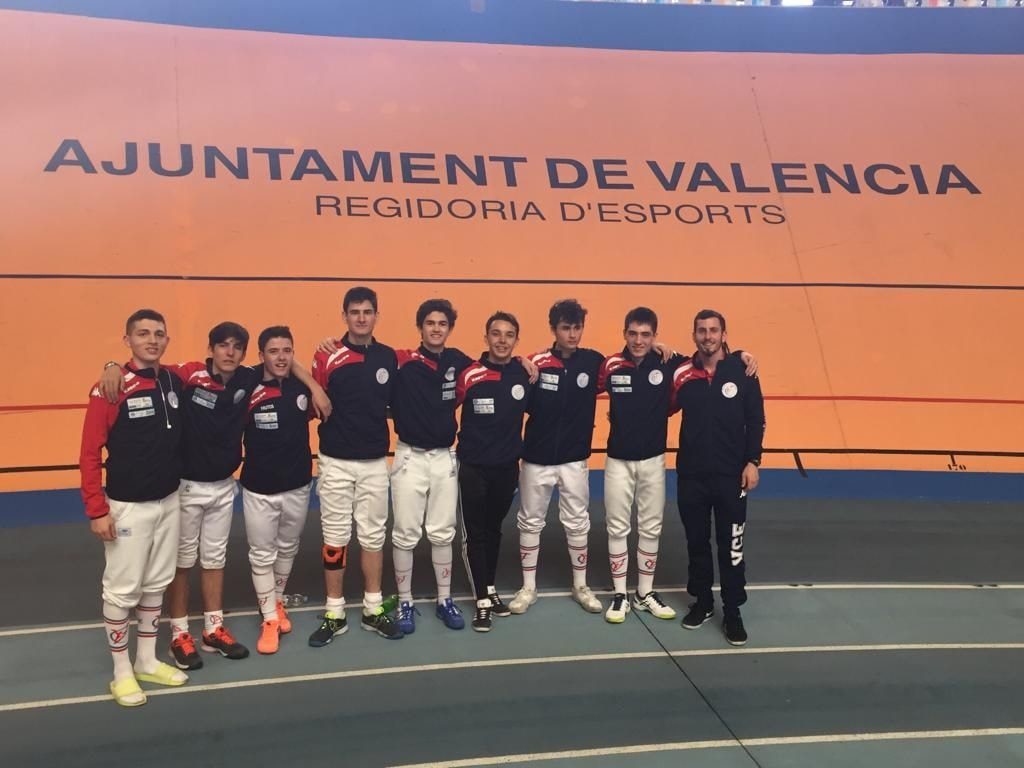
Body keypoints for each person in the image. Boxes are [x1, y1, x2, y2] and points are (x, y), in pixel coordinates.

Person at [97, 323, 330, 669]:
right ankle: (179, 633)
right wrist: (112, 366)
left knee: (214, 559)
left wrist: (314, 386)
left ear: (245, 354)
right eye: (223, 345)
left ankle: (213, 628)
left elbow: (284, 361)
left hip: (223, 487)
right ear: (211, 349)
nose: (229, 352)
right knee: (182, 563)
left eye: (236, 347)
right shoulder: (189, 375)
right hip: (186, 488)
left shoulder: (247, 378)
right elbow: (148, 367)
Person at [598, 307, 756, 625]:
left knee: (659, 529)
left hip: (671, 464)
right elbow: (578, 383)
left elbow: (751, 413)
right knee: (625, 529)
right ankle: (623, 595)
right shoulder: (614, 365)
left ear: (655, 337)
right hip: (634, 463)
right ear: (624, 334)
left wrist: (741, 355)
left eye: (646, 335)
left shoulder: (677, 365)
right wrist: (526, 364)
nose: (639, 340)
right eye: (633, 334)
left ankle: (651, 594)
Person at [80, 308, 189, 707]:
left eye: (159, 334)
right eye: (143, 334)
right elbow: (89, 453)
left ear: (167, 340)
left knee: (156, 583)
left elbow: (217, 366)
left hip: (169, 501)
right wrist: (97, 509)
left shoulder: (174, 379)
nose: (152, 340)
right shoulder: (108, 389)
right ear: (127, 340)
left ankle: (145, 660)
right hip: (127, 507)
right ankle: (121, 672)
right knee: (122, 590)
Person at [310, 286, 402, 645]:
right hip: (335, 462)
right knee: (335, 539)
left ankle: (372, 608)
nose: (361, 318)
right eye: (355, 312)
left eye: (367, 312)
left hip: (375, 462)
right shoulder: (327, 355)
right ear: (344, 316)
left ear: (376, 315)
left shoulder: (389, 357)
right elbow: (312, 390)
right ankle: (334, 612)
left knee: (373, 537)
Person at [673, 310, 765, 647]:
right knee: (696, 544)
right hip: (692, 476)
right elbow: (656, 364)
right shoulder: (682, 372)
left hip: (731, 477)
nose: (708, 336)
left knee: (731, 547)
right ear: (694, 335)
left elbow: (756, 419)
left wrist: (752, 461)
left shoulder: (742, 370)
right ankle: (702, 602)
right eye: (702, 331)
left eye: (713, 330)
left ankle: (732, 610)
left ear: (724, 334)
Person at [509, 300, 605, 615]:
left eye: (577, 328)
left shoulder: (593, 362)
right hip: (536, 460)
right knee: (530, 522)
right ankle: (528, 587)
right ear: (554, 329)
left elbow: (627, 363)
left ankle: (581, 585)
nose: (572, 334)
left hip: (574, 460)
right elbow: (508, 376)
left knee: (577, 522)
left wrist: (660, 349)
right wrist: (518, 361)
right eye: (566, 328)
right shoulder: (535, 363)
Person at [241, 326, 319, 654]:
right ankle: (270, 619)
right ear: (261, 356)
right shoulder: (246, 385)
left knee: (287, 548)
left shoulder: (302, 386)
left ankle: (275, 601)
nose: (281, 357)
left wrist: (312, 382)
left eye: (287, 350)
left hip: (298, 484)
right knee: (262, 554)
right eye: (273, 351)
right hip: (259, 489)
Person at [456, 312, 531, 632]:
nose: (502, 340)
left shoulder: (524, 374)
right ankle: (482, 601)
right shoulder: (469, 374)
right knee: (475, 534)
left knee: (494, 530)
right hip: (473, 468)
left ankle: (489, 587)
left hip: (506, 469)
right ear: (486, 337)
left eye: (509, 334)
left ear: (516, 340)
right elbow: (442, 406)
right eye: (496, 333)